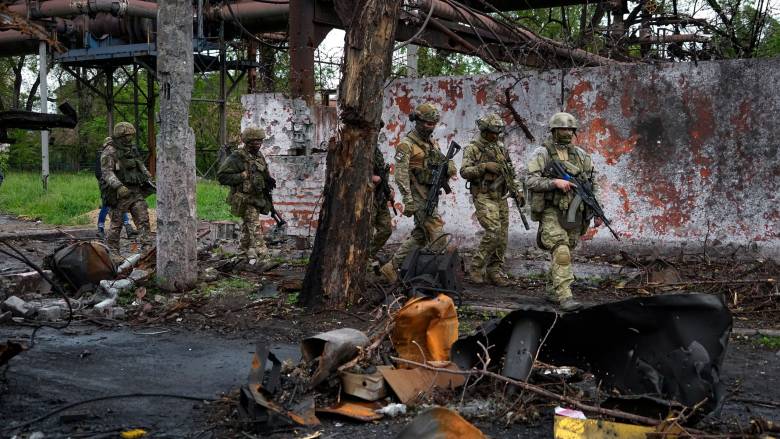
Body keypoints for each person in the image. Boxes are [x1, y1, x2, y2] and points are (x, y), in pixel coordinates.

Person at [525, 112, 603, 312]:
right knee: (561, 250)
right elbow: (530, 180)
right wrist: (554, 182)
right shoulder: (542, 153)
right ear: (553, 130)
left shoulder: (582, 156)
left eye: (570, 129)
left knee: (568, 247)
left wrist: (598, 211)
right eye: (562, 129)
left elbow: (593, 185)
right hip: (552, 210)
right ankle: (565, 296)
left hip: (575, 211)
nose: (566, 132)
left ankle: (553, 290)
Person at [380, 103, 456, 282]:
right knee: (438, 235)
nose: (431, 127)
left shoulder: (430, 142)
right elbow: (400, 174)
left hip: (430, 193)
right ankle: (432, 273)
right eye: (428, 123)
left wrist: (448, 166)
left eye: (433, 124)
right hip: (418, 196)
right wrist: (408, 200)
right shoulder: (406, 145)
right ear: (418, 121)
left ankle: (391, 267)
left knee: (420, 236)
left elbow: (441, 162)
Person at [460, 113, 521, 287]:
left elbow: (510, 170)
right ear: (484, 131)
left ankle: (494, 270)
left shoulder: (500, 147)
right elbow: (464, 171)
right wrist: (483, 167)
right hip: (484, 195)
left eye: (497, 133)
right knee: (493, 232)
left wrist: (517, 190)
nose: (495, 136)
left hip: (500, 196)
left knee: (502, 236)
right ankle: (476, 267)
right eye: (492, 132)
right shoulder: (473, 148)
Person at [217, 126, 275, 266]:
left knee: (247, 228)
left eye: (260, 141)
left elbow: (263, 174)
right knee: (255, 227)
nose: (258, 144)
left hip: (257, 197)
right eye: (255, 141)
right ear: (247, 142)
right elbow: (221, 177)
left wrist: (268, 182)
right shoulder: (237, 157)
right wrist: (241, 176)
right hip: (244, 198)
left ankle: (242, 254)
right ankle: (264, 257)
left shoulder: (259, 156)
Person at [100, 122, 153, 255]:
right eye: (127, 136)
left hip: (135, 191)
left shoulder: (131, 149)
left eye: (131, 136)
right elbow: (106, 172)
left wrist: (146, 175)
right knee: (116, 224)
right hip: (119, 194)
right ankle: (113, 253)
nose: (130, 138)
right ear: (120, 136)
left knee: (143, 219)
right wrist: (118, 186)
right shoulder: (110, 151)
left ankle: (147, 249)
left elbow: (139, 163)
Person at [95, 140, 134, 240]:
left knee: (121, 204)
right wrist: (108, 182)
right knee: (106, 205)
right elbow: (100, 173)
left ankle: (128, 227)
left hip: (117, 183)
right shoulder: (103, 155)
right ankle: (100, 229)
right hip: (107, 185)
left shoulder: (116, 154)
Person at [368, 126, 394, 266]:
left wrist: (389, 190)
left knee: (386, 229)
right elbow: (351, 170)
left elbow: (382, 175)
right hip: (368, 197)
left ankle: (369, 253)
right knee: (366, 231)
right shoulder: (360, 147)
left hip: (380, 197)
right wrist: (371, 177)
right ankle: (363, 258)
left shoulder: (375, 149)